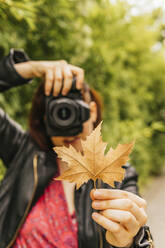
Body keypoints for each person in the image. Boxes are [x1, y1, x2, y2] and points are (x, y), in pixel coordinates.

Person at [0, 49, 153, 248]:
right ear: (46, 119)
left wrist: (129, 241)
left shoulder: (118, 176)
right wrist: (32, 68)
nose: (68, 126)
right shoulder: (25, 154)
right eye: (59, 114)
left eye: (74, 112)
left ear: (92, 112)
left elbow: (134, 236)